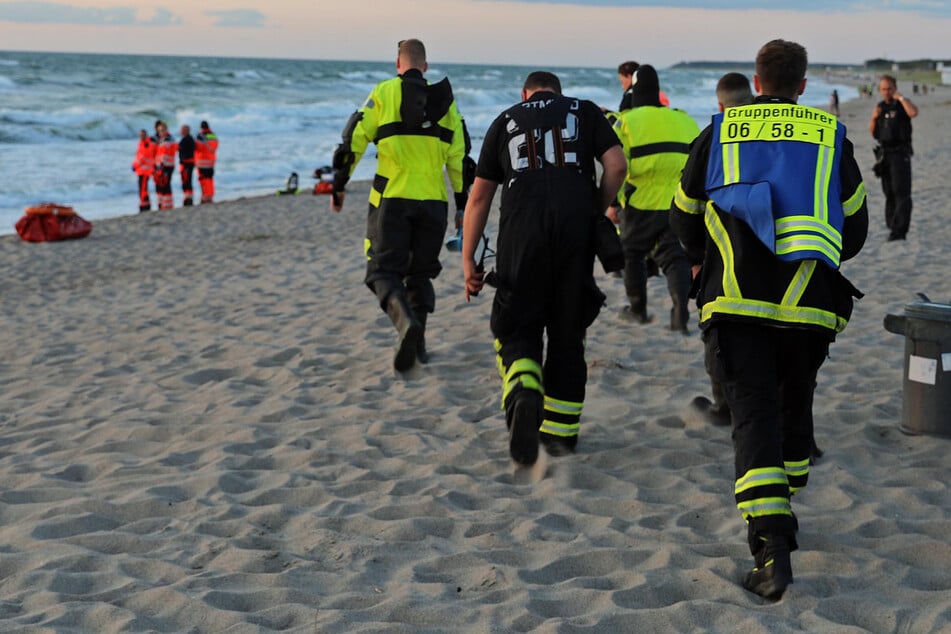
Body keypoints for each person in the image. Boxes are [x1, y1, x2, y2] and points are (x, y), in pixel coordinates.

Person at [671, 39, 868, 600]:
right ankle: (786, 495)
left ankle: (770, 549)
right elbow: (854, 228)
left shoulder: (719, 132)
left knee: (753, 415)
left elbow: (683, 215)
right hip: (809, 301)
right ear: (802, 85)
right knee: (794, 402)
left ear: (756, 82)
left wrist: (706, 251)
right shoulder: (831, 135)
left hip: (736, 297)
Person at [462, 71, 626, 465]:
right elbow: (617, 166)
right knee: (569, 331)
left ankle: (523, 389)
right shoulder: (585, 111)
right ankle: (561, 437)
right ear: (559, 93)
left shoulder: (506, 119)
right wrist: (595, 208)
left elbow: (480, 197)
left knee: (517, 322)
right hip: (574, 235)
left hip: (521, 234)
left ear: (525, 93)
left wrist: (469, 260)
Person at [330, 38, 473, 373]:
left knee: (381, 270)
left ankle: (405, 323)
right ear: (425, 66)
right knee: (420, 273)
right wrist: (462, 204)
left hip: (393, 198)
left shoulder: (383, 93)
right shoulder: (447, 103)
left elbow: (354, 139)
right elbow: (460, 158)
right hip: (434, 203)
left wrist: (339, 184)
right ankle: (419, 347)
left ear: (398, 65)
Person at [610, 64, 699, 333]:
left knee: (633, 255)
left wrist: (612, 203)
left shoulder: (625, 122)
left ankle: (637, 310)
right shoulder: (684, 119)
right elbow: (697, 161)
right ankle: (680, 314)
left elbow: (617, 166)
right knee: (675, 258)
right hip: (677, 204)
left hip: (640, 204)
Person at [869, 74, 918, 241]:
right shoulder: (880, 106)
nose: (886, 92)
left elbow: (913, 113)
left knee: (901, 192)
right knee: (888, 192)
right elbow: (873, 133)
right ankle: (892, 225)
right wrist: (874, 118)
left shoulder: (902, 104)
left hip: (900, 153)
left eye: (889, 88)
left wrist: (901, 98)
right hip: (885, 155)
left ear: (895, 88)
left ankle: (899, 230)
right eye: (883, 89)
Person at [152, 121, 176, 210]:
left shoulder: (168, 139)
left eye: (162, 130)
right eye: (159, 131)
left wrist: (160, 165)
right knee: (163, 185)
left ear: (166, 130)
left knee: (166, 185)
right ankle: (164, 204)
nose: (161, 132)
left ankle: (167, 205)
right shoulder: (163, 140)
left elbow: (165, 154)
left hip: (167, 165)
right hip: (163, 165)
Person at [195, 120, 219, 204]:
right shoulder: (213, 135)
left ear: (201, 127)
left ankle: (205, 197)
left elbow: (198, 148)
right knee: (210, 179)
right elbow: (214, 148)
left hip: (201, 161)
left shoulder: (199, 136)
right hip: (211, 161)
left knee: (203, 180)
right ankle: (210, 196)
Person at [132, 129, 155, 212]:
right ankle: (145, 205)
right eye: (140, 135)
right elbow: (138, 156)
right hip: (141, 171)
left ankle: (145, 206)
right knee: (142, 189)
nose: (141, 137)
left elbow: (143, 158)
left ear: (146, 136)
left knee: (143, 190)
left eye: (143, 135)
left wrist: (135, 165)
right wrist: (134, 165)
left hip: (145, 171)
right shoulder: (141, 144)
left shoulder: (146, 144)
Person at [178, 124, 196, 206]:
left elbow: (184, 151)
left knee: (187, 180)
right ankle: (188, 196)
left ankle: (188, 198)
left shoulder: (187, 139)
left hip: (187, 163)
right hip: (187, 163)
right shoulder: (188, 139)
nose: (180, 131)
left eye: (182, 130)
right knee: (186, 180)